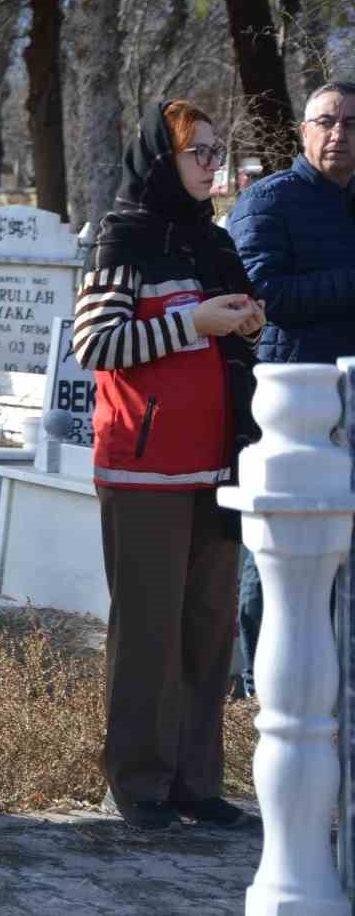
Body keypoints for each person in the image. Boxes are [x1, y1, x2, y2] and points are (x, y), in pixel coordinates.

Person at [73, 99, 263, 831]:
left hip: (218, 466)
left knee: (209, 631)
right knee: (148, 632)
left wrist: (248, 321)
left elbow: (229, 336)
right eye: (199, 153)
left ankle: (196, 782)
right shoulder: (123, 237)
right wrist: (194, 323)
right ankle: (139, 783)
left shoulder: (212, 242)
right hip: (144, 467)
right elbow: (96, 344)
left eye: (218, 152)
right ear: (162, 159)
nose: (213, 166)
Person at [227, 81, 355, 697]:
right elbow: (260, 294)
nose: (339, 133)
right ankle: (263, 686)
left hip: (352, 401)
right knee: (281, 547)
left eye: (352, 123)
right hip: (293, 403)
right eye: (326, 121)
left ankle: (336, 689)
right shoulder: (268, 201)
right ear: (303, 131)